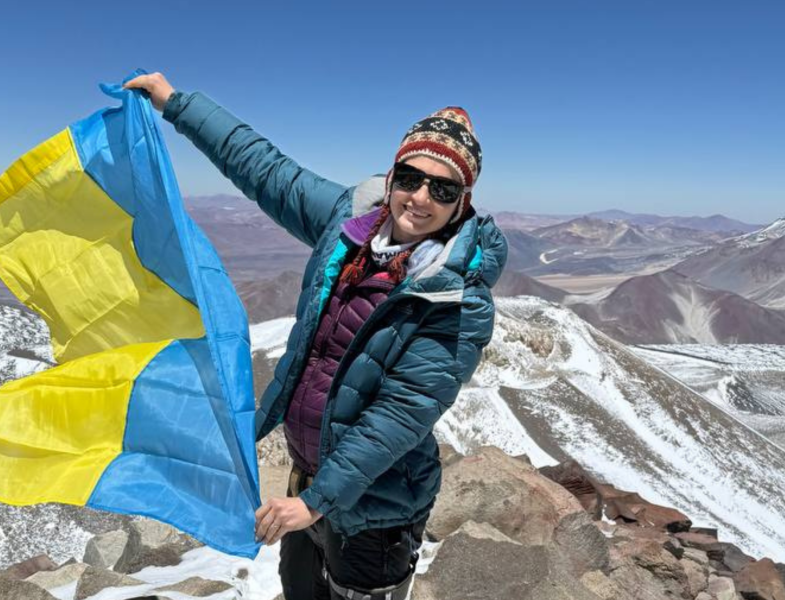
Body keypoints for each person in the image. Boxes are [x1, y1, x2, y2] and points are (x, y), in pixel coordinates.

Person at [125, 72, 506, 600]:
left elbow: (402, 413)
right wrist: (177, 104)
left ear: (462, 201)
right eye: (410, 177)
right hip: (308, 480)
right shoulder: (349, 223)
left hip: (375, 509)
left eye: (442, 189)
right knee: (299, 588)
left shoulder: (457, 298)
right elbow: (266, 169)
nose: (419, 198)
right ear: (393, 175)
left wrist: (315, 502)